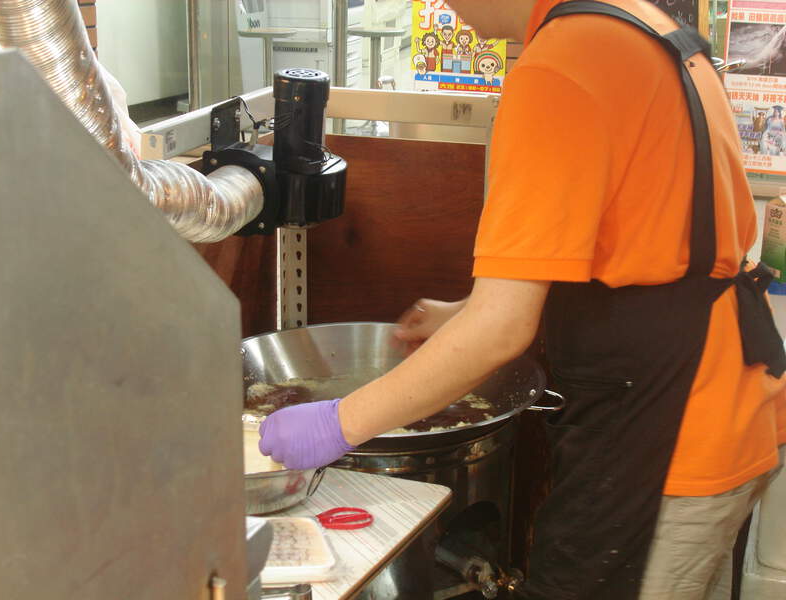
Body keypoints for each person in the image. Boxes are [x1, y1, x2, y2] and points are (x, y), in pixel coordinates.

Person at [260, 0, 786, 598]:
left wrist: (336, 423)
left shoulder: (560, 66)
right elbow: (650, 239)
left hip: (669, 434)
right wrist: (467, 313)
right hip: (726, 399)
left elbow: (502, 331)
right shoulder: (633, 23)